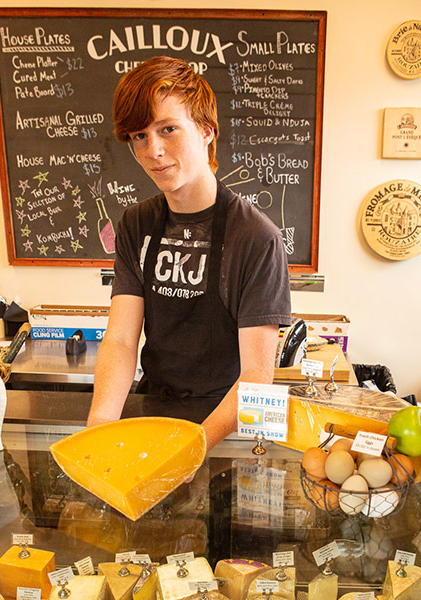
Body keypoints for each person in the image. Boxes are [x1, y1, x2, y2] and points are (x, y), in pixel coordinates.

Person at [87, 56, 291, 452]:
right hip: (153, 412)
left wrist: (195, 448)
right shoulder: (136, 223)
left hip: (225, 429)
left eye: (168, 129)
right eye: (139, 137)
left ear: (206, 131)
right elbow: (122, 340)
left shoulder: (255, 237)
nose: (153, 151)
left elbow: (255, 374)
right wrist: (99, 425)